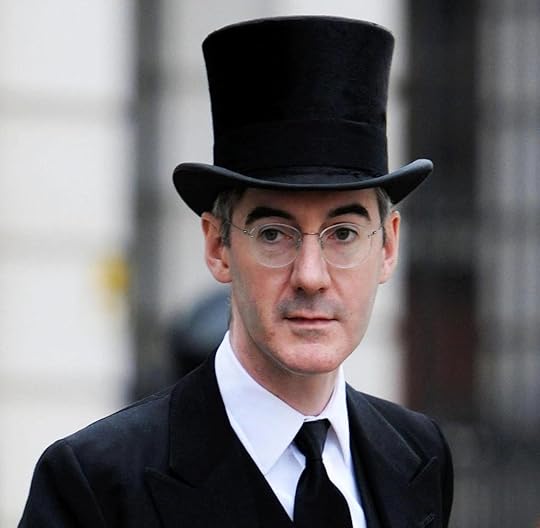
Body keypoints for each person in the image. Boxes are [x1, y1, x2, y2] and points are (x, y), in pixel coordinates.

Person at [20, 16, 453, 527]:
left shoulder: (417, 454)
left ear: (388, 246)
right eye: (273, 234)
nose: (310, 276)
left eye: (343, 234)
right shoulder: (98, 483)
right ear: (218, 246)